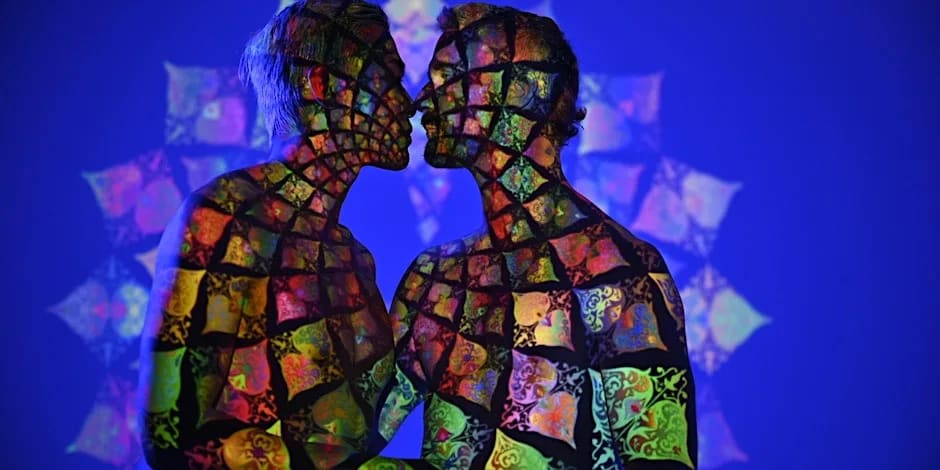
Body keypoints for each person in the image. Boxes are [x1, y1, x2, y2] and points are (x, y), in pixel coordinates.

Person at [374, 4, 697, 469]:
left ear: (525, 91)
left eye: (449, 77)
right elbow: (348, 446)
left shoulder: (620, 277)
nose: (424, 98)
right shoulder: (434, 282)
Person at [137, 1, 414, 468]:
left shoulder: (354, 258)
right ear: (322, 84)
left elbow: (345, 436)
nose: (406, 102)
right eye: (388, 76)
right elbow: (170, 437)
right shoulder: (228, 218)